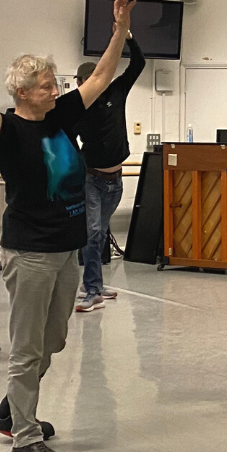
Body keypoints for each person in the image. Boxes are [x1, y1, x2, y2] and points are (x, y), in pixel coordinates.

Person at [0, 0, 133, 452]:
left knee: (54, 341)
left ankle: (10, 411)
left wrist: (119, 29)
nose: (53, 89)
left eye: (53, 83)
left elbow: (100, 77)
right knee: (26, 349)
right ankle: (24, 436)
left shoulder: (60, 116)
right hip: (31, 253)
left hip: (68, 250)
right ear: (23, 93)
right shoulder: (8, 131)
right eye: (44, 86)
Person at [73, 31, 145, 312]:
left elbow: (137, 64)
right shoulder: (77, 106)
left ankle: (94, 283)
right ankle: (92, 290)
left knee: (99, 234)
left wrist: (128, 36)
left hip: (115, 181)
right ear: (79, 84)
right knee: (92, 234)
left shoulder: (116, 91)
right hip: (91, 178)